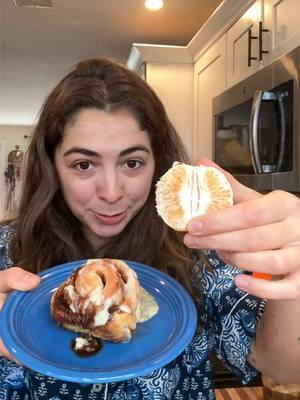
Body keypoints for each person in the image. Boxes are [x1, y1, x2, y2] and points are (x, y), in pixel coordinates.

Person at [0, 58, 299, 400]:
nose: (112, 193)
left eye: (132, 163)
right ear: (51, 166)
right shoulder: (5, 252)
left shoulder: (201, 251)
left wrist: (295, 279)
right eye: (83, 165)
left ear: (158, 163)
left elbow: (283, 367)